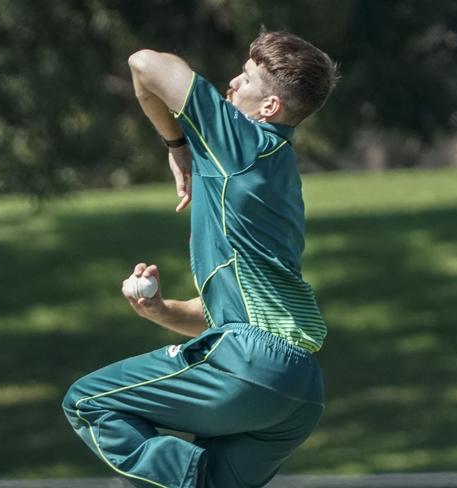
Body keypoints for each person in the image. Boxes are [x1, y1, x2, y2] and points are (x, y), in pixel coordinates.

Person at [63, 31, 338, 488]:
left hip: (250, 365)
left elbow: (144, 63)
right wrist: (161, 309)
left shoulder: (242, 142)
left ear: (269, 108)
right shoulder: (279, 170)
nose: (231, 82)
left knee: (89, 401)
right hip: (300, 392)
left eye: (246, 77)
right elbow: (236, 319)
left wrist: (177, 146)